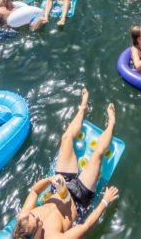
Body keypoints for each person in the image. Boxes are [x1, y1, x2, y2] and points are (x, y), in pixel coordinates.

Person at [12, 90, 119, 239]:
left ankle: (83, 108)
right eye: (37, 223)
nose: (37, 217)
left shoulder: (24, 218)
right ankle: (112, 123)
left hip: (60, 188)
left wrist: (51, 180)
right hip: (79, 198)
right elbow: (85, 227)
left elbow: (35, 192)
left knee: (66, 138)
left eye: (33, 216)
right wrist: (105, 201)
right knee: (98, 153)